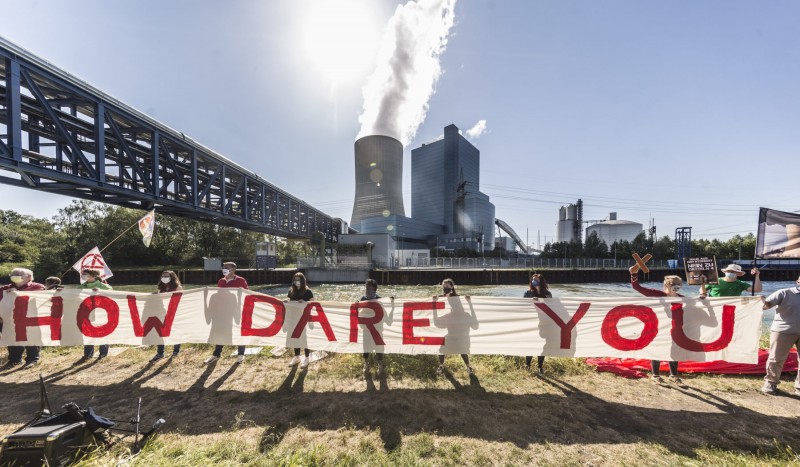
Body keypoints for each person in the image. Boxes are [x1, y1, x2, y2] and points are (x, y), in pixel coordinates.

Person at [629, 266, 685, 385]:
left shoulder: (683, 299)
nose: (675, 286)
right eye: (673, 284)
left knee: (674, 350)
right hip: (659, 327)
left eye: (678, 284)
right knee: (658, 349)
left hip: (675, 328)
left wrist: (703, 296)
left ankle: (673, 375)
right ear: (666, 285)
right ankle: (655, 374)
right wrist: (633, 274)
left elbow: (698, 305)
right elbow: (637, 287)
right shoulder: (658, 294)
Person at [760, 275, 800, 395]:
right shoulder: (784, 293)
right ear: (797, 281)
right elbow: (766, 306)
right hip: (782, 331)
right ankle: (771, 383)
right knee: (776, 358)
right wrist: (761, 301)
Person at [0, 268, 45, 369]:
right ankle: (14, 360)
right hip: (11, 319)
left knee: (31, 339)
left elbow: (43, 299)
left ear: (29, 277)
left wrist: (19, 293)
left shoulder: (38, 287)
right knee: (12, 339)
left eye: (18, 274)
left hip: (30, 318)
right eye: (13, 273)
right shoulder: (4, 289)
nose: (14, 275)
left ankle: (32, 359)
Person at [205, 262, 248, 364]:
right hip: (223, 312)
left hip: (236, 310)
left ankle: (241, 354)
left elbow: (247, 294)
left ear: (233, 269)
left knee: (238, 331)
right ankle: (216, 354)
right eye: (223, 267)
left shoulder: (241, 280)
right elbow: (220, 296)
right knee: (221, 331)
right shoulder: (221, 281)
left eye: (226, 267)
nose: (224, 269)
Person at [435, 278, 473, 375]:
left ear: (451, 286)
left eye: (447, 286)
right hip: (451, 331)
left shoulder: (457, 298)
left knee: (462, 350)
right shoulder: (442, 297)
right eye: (443, 287)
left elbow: (459, 305)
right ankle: (441, 365)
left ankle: (469, 367)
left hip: (460, 332)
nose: (445, 288)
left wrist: (469, 301)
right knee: (442, 348)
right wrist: (435, 300)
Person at [75, 269, 113, 364]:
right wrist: (60, 291)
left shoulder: (104, 287)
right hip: (87, 314)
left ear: (94, 276)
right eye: (82, 274)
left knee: (103, 332)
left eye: (85, 274)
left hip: (101, 313)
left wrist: (100, 292)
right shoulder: (81, 287)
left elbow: (112, 296)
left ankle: (103, 354)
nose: (83, 276)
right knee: (88, 333)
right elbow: (71, 295)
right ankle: (88, 355)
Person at [151, 271, 183, 361]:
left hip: (174, 312)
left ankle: (176, 351)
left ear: (172, 277)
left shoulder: (178, 287)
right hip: (163, 312)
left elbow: (180, 299)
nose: (164, 277)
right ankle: (160, 353)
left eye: (166, 276)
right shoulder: (162, 287)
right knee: (160, 332)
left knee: (175, 331)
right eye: (163, 276)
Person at [523, 273, 551, 375]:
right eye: (533, 280)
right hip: (531, 322)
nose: (534, 282)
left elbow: (551, 308)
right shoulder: (528, 293)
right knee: (530, 344)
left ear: (541, 281)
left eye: (536, 280)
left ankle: (540, 367)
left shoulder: (547, 294)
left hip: (544, 323)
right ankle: (527, 365)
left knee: (542, 346)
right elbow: (523, 306)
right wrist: (531, 301)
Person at [287, 272, 313, 369]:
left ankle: (306, 357)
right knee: (295, 336)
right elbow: (290, 301)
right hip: (293, 317)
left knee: (304, 338)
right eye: (295, 279)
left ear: (302, 281)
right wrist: (287, 302)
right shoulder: (291, 291)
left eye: (298, 280)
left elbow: (313, 302)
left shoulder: (308, 291)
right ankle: (297, 356)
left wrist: (305, 302)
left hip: (304, 317)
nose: (296, 281)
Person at [360, 279, 384, 374]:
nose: (368, 289)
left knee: (379, 348)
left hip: (378, 329)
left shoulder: (380, 299)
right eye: (367, 287)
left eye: (370, 287)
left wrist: (392, 303)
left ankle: (380, 365)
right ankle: (366, 364)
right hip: (366, 329)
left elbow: (384, 314)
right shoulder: (363, 299)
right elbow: (358, 312)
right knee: (366, 348)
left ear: (374, 288)